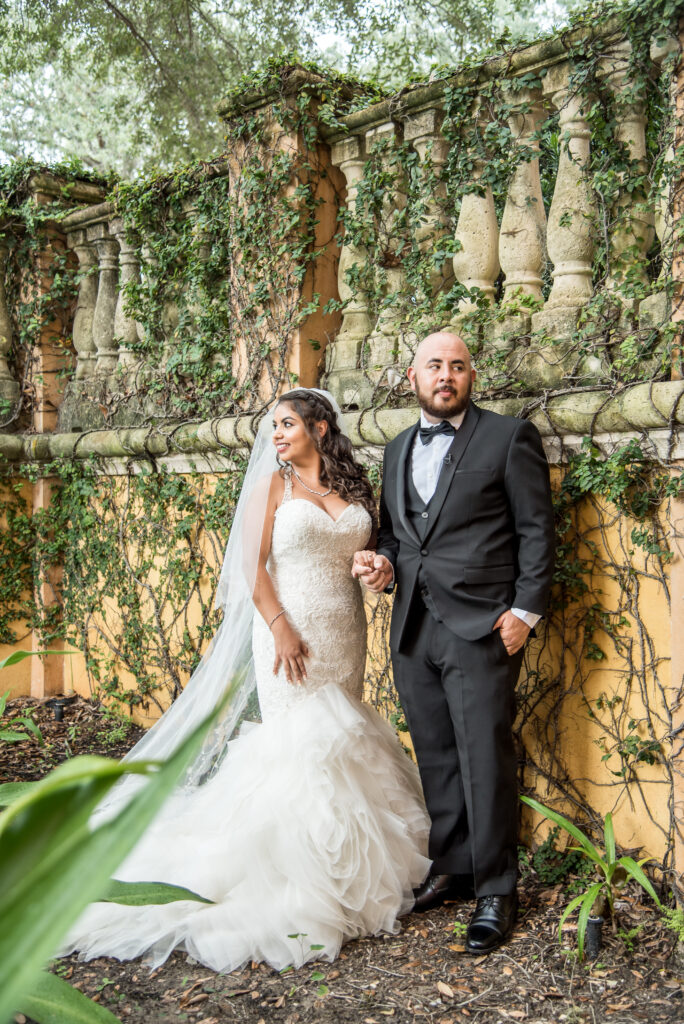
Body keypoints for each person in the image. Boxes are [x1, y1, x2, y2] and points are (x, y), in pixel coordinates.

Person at [62, 388, 430, 973]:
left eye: (287, 424)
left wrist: (374, 565)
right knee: (298, 743)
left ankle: (350, 873)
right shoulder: (272, 487)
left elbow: (373, 552)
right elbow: (249, 566)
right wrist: (281, 627)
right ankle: (300, 882)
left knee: (341, 737)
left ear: (322, 427)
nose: (277, 435)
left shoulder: (357, 489)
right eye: (274, 426)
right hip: (288, 630)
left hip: (344, 630)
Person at [353, 333, 555, 955]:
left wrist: (525, 611)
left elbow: (536, 530)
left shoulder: (507, 437)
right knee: (436, 751)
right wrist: (382, 566)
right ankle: (455, 866)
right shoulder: (395, 448)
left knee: (485, 755)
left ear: (472, 376)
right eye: (435, 366)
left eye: (458, 366)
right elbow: (398, 537)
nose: (446, 376)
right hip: (413, 623)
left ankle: (498, 886)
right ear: (412, 376)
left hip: (483, 627)